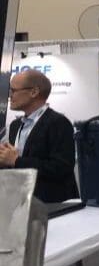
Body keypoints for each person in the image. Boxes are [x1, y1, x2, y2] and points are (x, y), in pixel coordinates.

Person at [0, 70, 79, 203]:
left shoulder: (58, 123)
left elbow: (61, 167)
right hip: (23, 202)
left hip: (54, 205)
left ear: (34, 92)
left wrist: (16, 161)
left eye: (13, 91)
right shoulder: (15, 125)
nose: (10, 96)